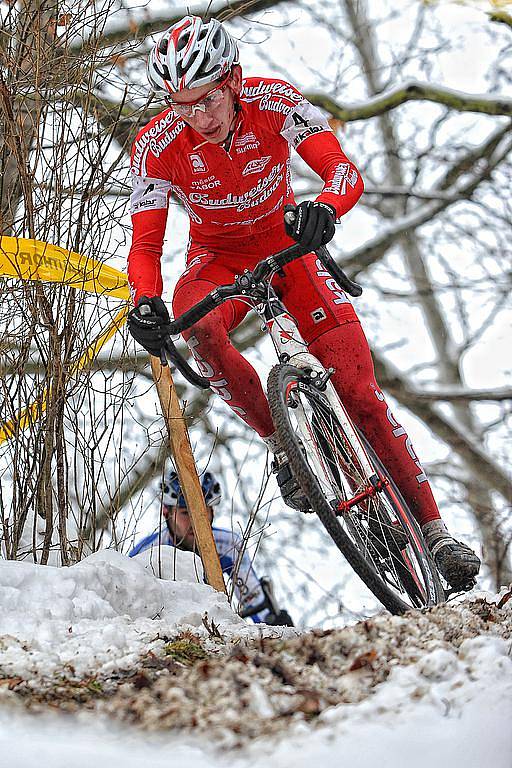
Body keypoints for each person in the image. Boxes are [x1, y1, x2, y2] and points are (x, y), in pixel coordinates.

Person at [126, 15, 480, 591]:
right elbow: (145, 244)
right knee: (203, 330)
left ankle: (435, 530)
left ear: (233, 80)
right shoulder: (159, 146)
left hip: (290, 245)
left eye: (209, 99)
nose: (199, 118)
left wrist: (327, 208)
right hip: (216, 259)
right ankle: (284, 445)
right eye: (183, 104)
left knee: (360, 396)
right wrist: (145, 302)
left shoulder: (273, 100)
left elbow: (341, 170)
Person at [129, 468, 294, 626]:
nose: (195, 522)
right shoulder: (147, 551)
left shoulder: (228, 544)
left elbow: (253, 598)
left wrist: (271, 620)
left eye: (202, 511)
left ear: (212, 512)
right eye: (185, 513)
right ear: (167, 513)